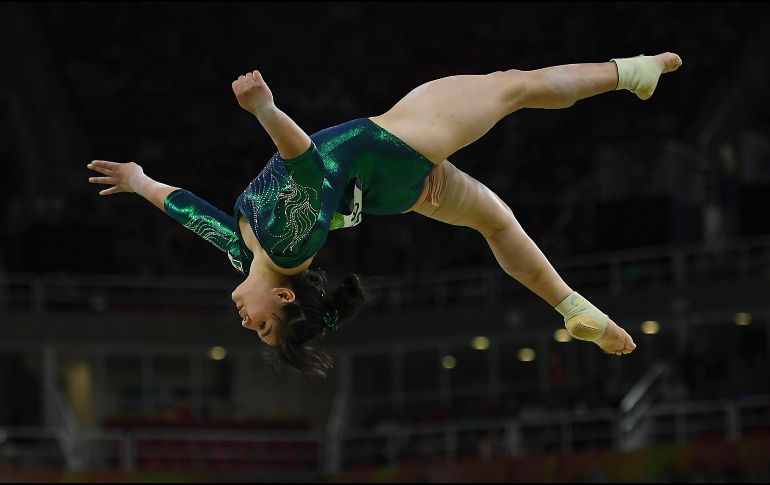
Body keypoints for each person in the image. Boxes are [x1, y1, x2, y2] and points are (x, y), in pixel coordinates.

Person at [87, 53, 683, 377]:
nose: (249, 324)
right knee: (515, 86)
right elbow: (308, 168)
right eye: (266, 326)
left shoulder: (248, 253)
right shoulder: (286, 246)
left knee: (496, 225)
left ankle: (577, 309)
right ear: (287, 299)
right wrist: (266, 110)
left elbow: (193, 213)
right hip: (397, 146)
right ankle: (634, 72)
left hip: (390, 182)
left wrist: (141, 183)